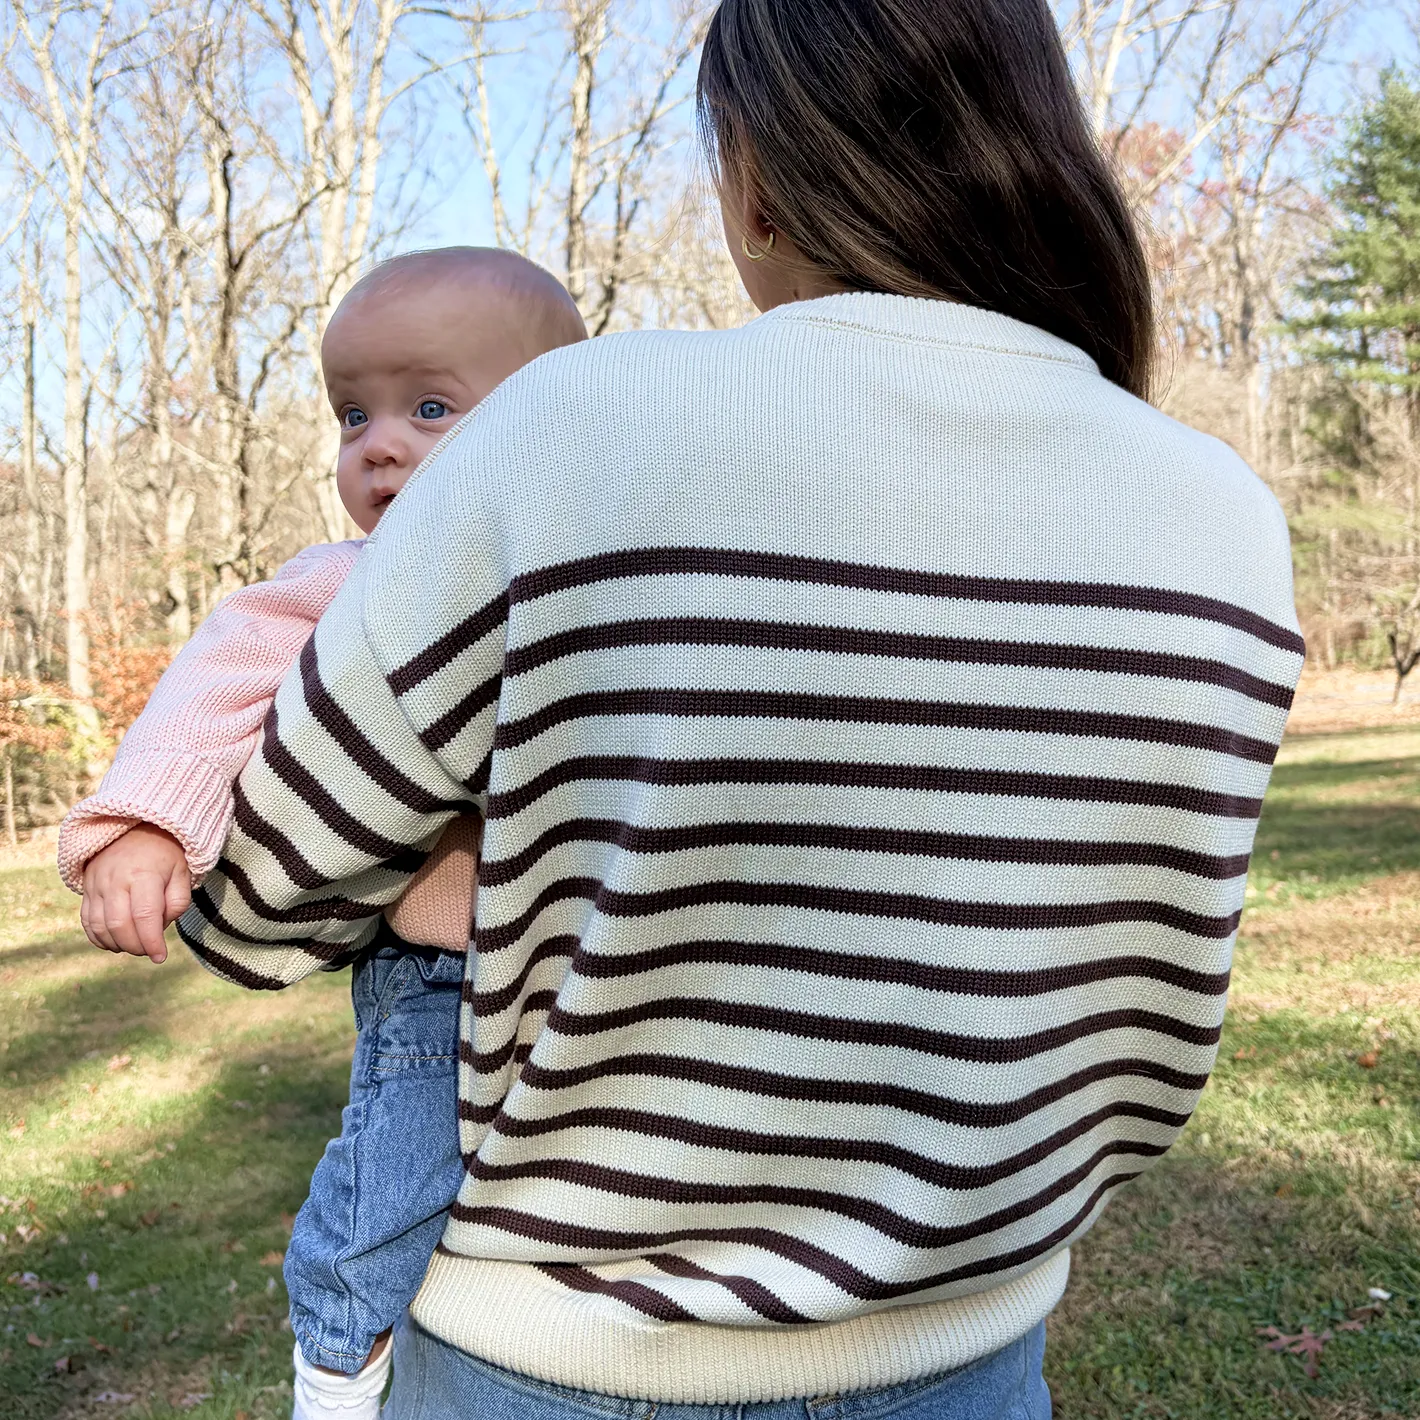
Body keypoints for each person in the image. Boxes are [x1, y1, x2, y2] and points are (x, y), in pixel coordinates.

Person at [176, 1, 1306, 1416]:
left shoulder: (576, 425)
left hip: (559, 1366)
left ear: (757, 178)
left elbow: (262, 895)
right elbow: (1150, 1008)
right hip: (970, 1354)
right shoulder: (1225, 522)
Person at [55, 248, 588, 1419]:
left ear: (562, 421)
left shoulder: (610, 572)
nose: (377, 444)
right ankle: (339, 1358)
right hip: (441, 971)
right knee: (398, 1177)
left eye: (429, 407)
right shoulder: (350, 578)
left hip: (601, 963)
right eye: (354, 414)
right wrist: (145, 824)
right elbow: (214, 685)